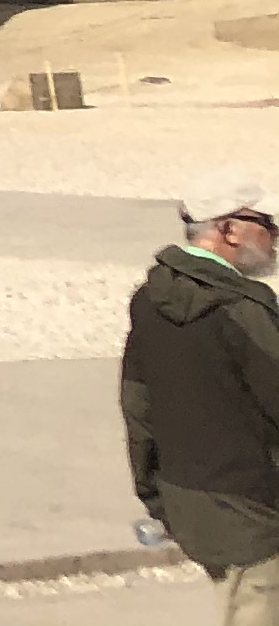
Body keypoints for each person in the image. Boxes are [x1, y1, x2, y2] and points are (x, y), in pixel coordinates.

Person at [124, 174, 279, 626]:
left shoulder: (152, 297)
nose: (274, 237)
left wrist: (153, 494)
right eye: (266, 224)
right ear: (228, 229)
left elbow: (137, 402)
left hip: (191, 497)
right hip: (253, 507)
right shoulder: (239, 308)